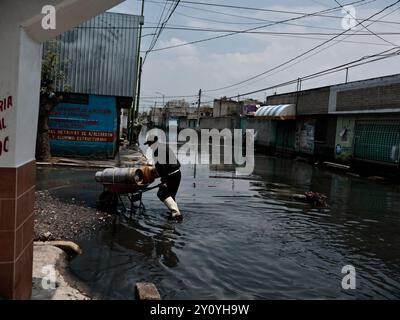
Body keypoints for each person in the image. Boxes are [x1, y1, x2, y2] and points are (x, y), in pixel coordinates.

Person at [144, 136, 182, 220]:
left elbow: (162, 167)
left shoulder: (157, 151)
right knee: (171, 196)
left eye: (149, 144)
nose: (149, 146)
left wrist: (164, 181)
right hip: (177, 173)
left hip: (171, 176)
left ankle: (176, 214)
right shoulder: (164, 146)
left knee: (162, 194)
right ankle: (174, 214)